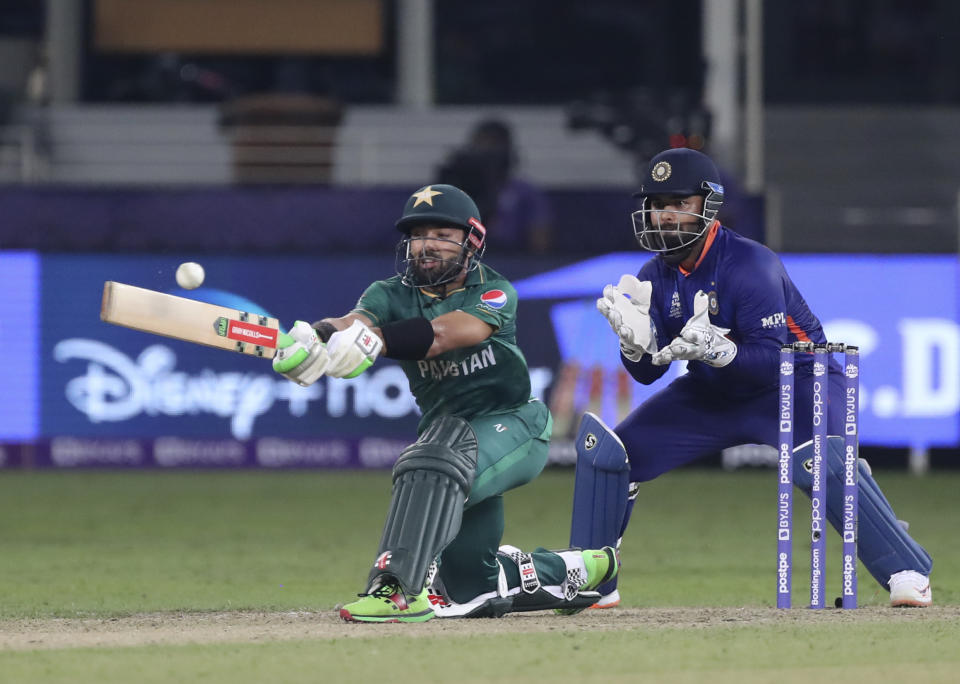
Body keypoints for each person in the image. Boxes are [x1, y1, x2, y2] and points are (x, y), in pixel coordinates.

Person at [572, 147, 933, 609]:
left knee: (819, 460)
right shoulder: (653, 276)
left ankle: (906, 568)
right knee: (610, 457)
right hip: (714, 393)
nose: (666, 215)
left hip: (800, 380)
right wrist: (634, 346)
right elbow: (648, 374)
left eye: (680, 203)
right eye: (659, 204)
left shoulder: (748, 264)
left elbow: (772, 359)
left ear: (708, 206)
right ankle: (592, 579)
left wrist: (720, 349)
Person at [272, 183, 618, 622]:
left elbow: (444, 334)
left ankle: (397, 589)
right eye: (419, 235)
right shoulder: (388, 293)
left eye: (442, 234)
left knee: (429, 463)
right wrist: (315, 338)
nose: (427, 245)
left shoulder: (493, 292)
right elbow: (351, 323)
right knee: (469, 587)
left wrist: (372, 341)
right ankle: (579, 567)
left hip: (514, 426)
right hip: (450, 434)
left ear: (470, 242)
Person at [437, 119, 553, 254]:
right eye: (481, 149)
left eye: (494, 148)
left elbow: (540, 245)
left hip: (513, 262)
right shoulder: (455, 192)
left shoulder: (527, 192)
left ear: (507, 151)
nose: (488, 156)